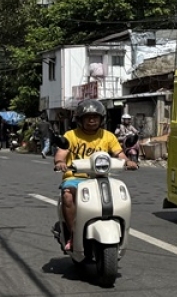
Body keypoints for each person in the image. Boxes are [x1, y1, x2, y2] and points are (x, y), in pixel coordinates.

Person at [54, 99, 135, 252]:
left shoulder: (108, 136)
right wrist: (60, 162)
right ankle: (73, 234)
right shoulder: (71, 135)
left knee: (120, 194)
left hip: (101, 176)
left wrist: (128, 162)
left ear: (101, 119)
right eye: (88, 117)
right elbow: (61, 153)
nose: (92, 120)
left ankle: (119, 230)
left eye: (95, 117)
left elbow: (119, 154)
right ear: (80, 119)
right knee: (67, 196)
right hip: (75, 178)